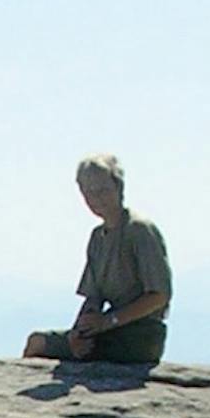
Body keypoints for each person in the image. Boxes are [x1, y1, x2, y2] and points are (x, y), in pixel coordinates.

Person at [23, 154, 171, 365]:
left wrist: (108, 322)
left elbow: (159, 295)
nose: (97, 199)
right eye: (89, 193)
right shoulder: (98, 238)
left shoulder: (139, 231)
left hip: (139, 338)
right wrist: (79, 333)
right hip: (109, 329)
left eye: (103, 190)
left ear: (118, 187)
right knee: (36, 341)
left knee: (39, 345)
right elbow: (94, 297)